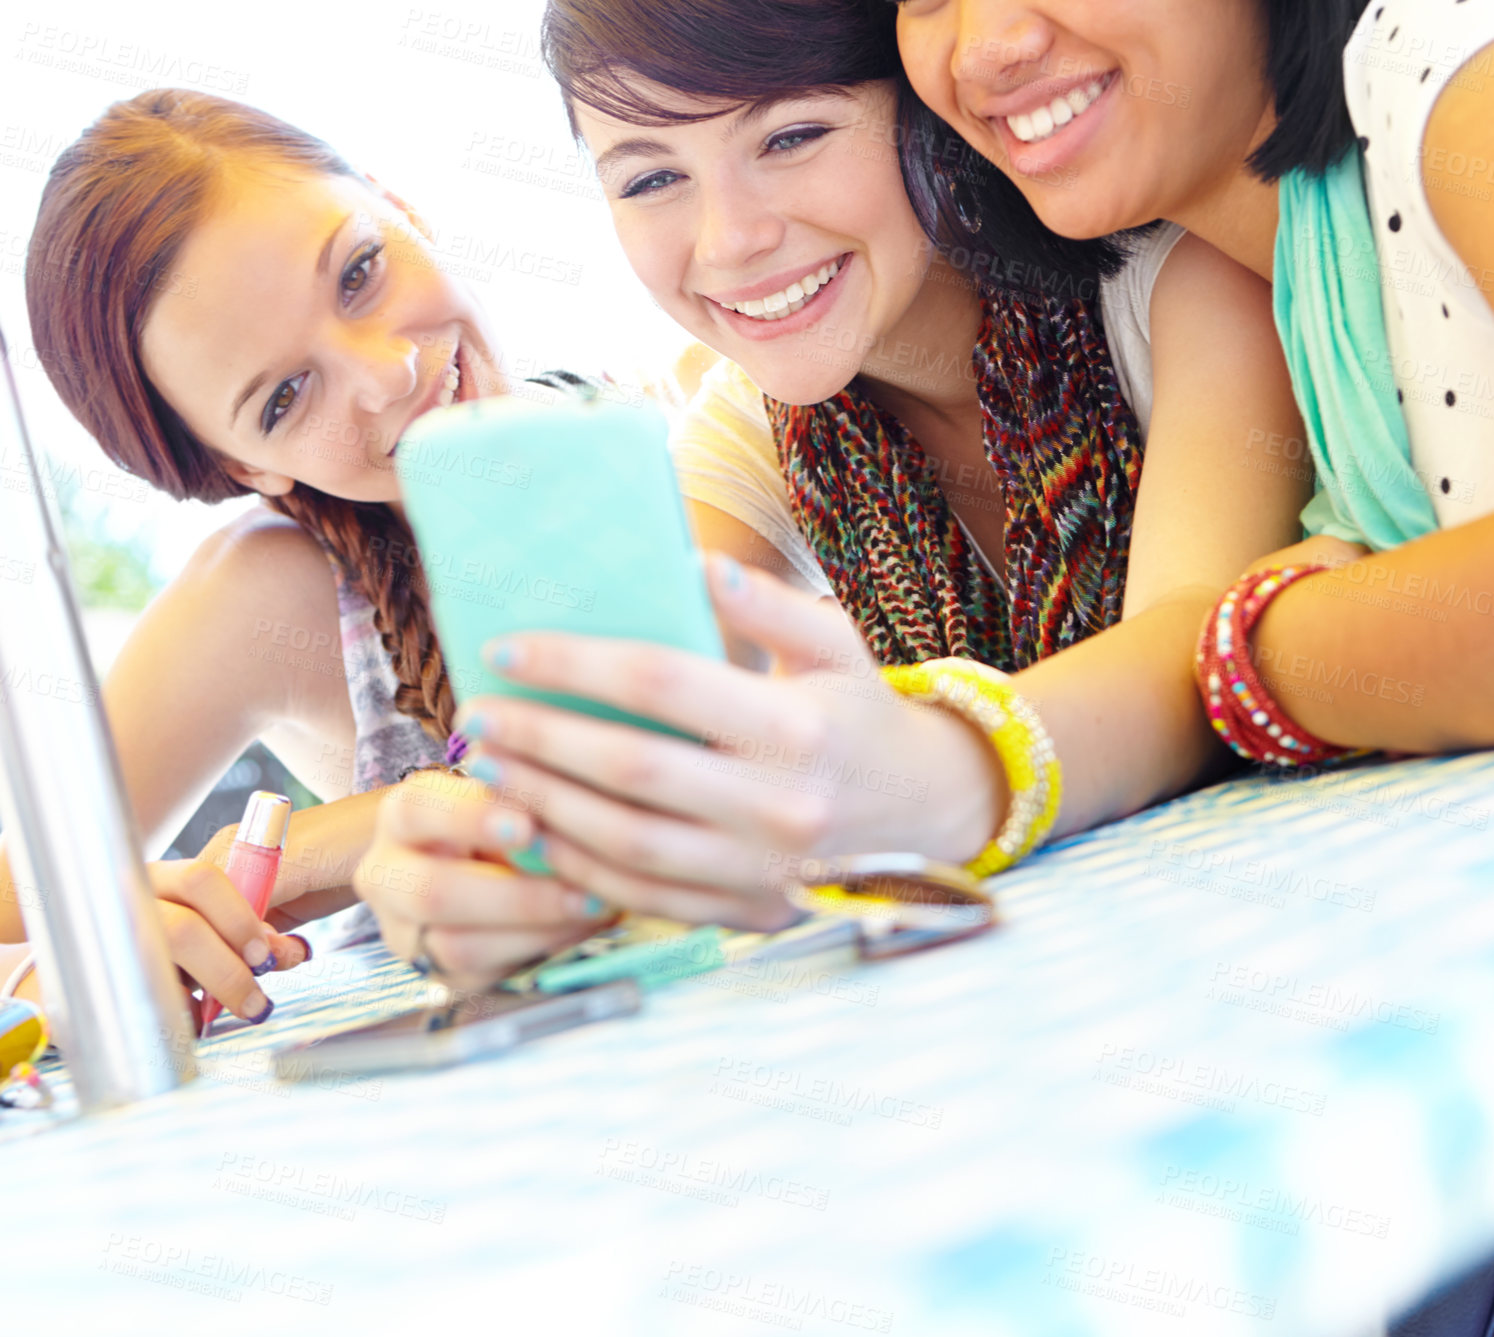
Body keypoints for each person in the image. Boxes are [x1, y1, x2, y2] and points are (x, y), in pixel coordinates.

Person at [352, 0, 1307, 986]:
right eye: (651, 178)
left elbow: (1198, 654)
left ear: (921, 112)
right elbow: (631, 711)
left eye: (794, 134)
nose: (730, 240)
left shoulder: (1177, 286)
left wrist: (938, 773)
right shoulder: (749, 427)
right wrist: (502, 852)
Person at [7, 89, 611, 1019]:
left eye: (360, 270)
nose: (387, 374)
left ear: (399, 205)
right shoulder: (282, 595)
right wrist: (81, 949)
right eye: (285, 396)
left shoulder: (696, 430)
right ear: (245, 464)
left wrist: (323, 846)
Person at [894, 0, 1494, 761]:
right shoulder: (1306, 277)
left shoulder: (1448, 75)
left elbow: (1256, 652)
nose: (984, 51)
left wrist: (1255, 653)